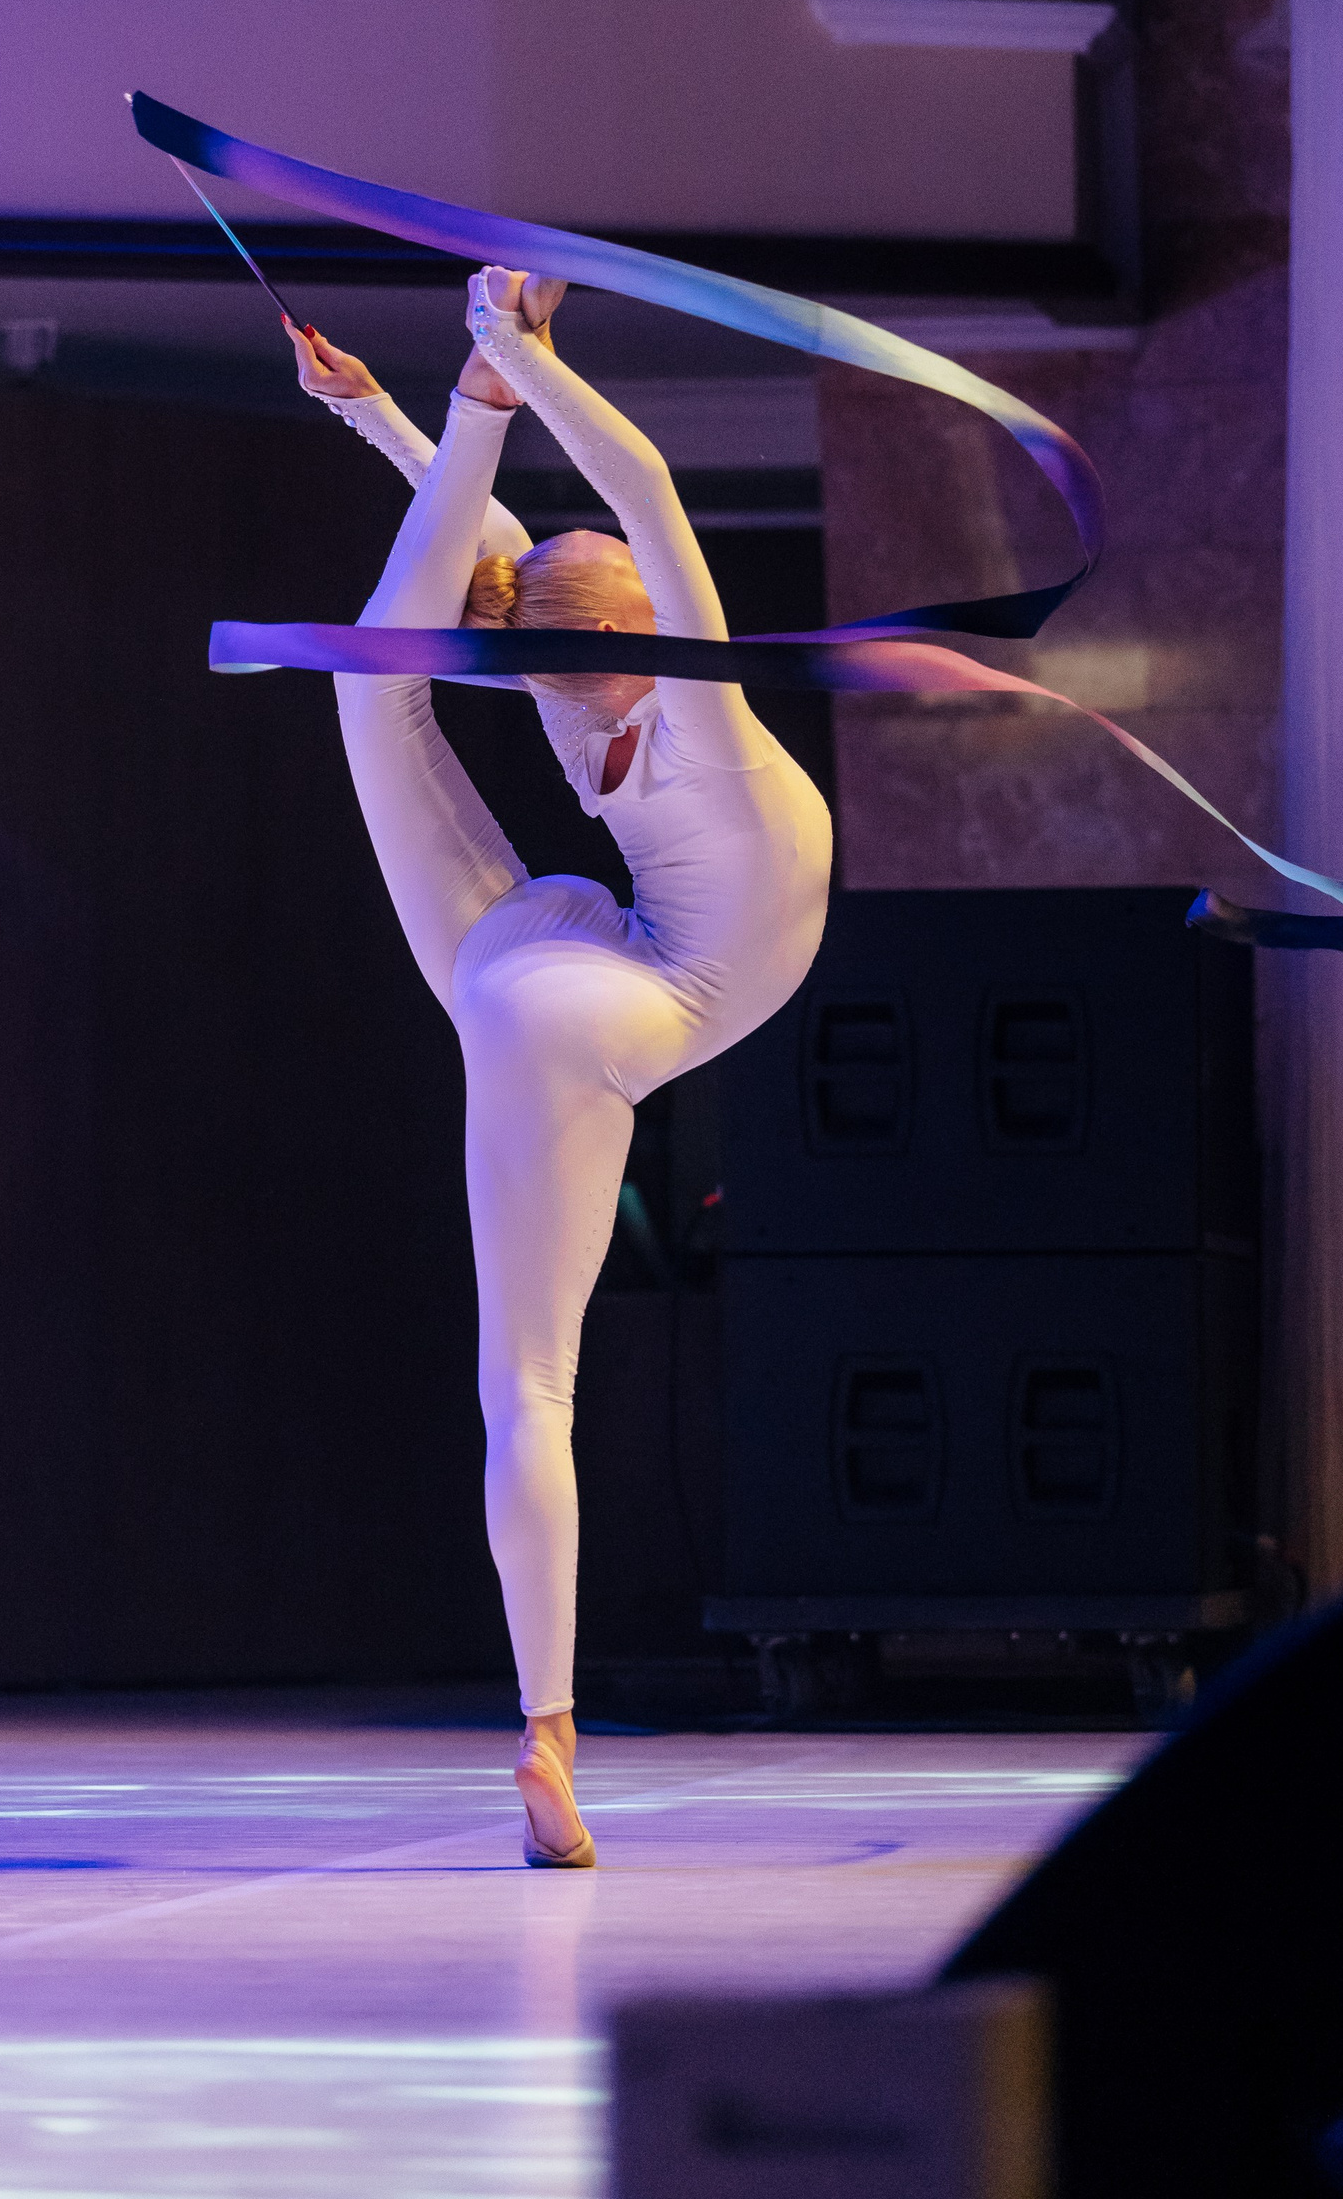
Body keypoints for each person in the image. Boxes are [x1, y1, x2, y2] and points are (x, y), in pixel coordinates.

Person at [287, 265, 832, 1866]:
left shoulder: (599, 677)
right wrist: (501, 357)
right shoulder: (678, 684)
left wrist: (431, 394)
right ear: (637, 621)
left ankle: (551, 1729)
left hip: (558, 977)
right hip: (603, 994)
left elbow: (532, 541)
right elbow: (623, 496)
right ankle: (542, 1738)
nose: (537, 559)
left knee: (374, 679)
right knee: (531, 1384)